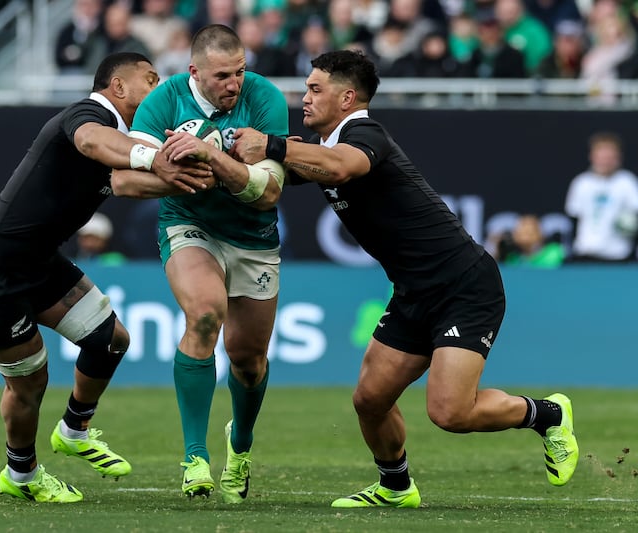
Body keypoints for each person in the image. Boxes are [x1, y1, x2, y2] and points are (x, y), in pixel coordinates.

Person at [226, 49, 579, 508]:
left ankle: (547, 415)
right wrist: (218, 154)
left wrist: (272, 146)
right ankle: (396, 487)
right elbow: (274, 177)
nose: (305, 97)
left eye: (315, 89)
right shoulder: (322, 147)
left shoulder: (364, 134)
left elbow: (340, 166)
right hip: (413, 292)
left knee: (450, 412)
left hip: (464, 285)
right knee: (370, 400)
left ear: (347, 97)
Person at [0, 52, 213, 504]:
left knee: (111, 340)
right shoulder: (87, 115)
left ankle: (73, 430)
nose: (159, 88)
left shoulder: (124, 140)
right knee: (30, 383)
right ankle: (22, 474)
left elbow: (126, 182)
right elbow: (92, 143)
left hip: (39, 266)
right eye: (150, 79)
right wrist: (156, 159)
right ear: (118, 87)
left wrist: (210, 175)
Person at [120, 24, 288, 503]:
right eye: (221, 76)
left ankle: (241, 443)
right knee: (205, 314)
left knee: (248, 361)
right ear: (194, 72)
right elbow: (124, 181)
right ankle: (195, 456)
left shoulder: (265, 98)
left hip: (253, 237)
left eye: (239, 72)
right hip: (189, 224)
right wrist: (180, 172)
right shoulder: (164, 101)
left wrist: (211, 156)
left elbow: (268, 192)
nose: (234, 84)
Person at [564, 131, 638, 262]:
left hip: (618, 256)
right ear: (592, 156)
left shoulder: (627, 182)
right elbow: (574, 215)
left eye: (610, 157)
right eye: (602, 156)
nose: (605, 161)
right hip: (584, 254)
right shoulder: (581, 182)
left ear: (618, 158)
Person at [491, 214, 566, 267]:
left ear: (541, 234)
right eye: (521, 230)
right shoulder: (512, 258)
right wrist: (499, 250)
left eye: (530, 231)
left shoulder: (554, 252)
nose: (525, 234)